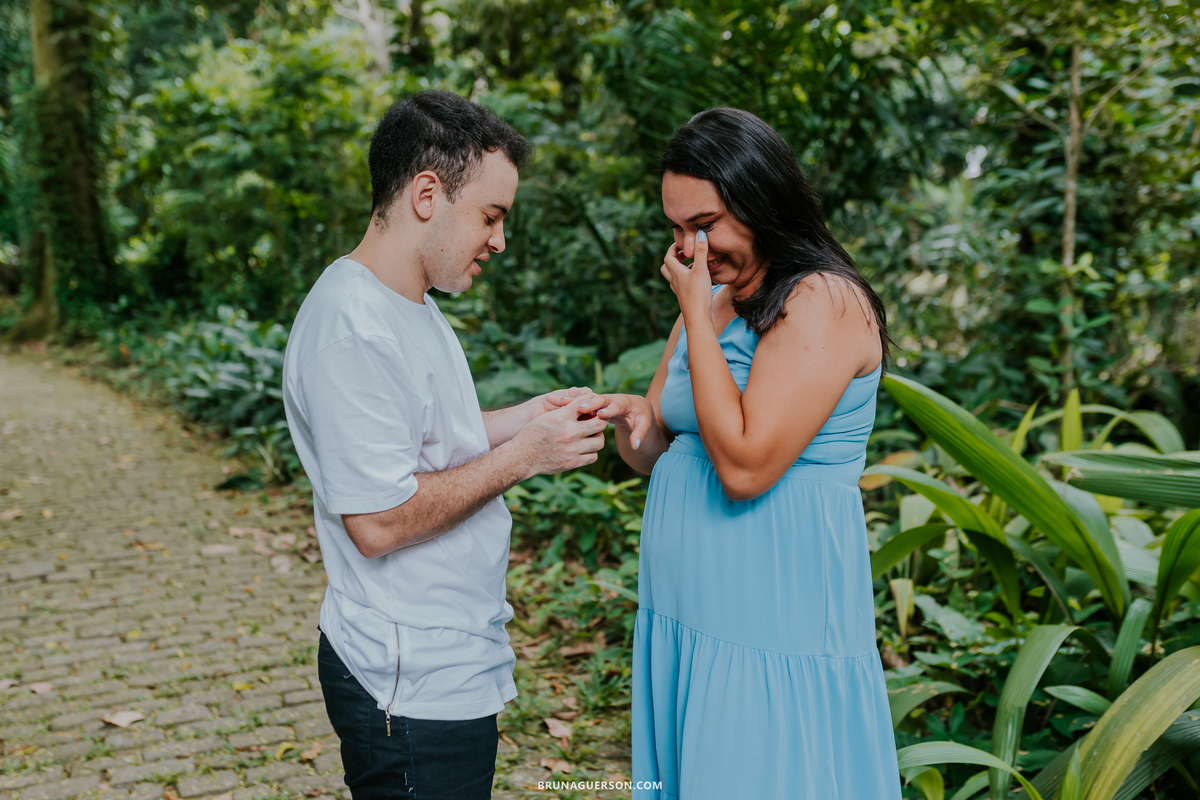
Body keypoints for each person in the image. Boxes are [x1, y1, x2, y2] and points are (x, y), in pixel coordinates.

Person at [281, 90, 607, 800]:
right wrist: (527, 457)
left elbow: (430, 442)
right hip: (407, 681)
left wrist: (528, 419)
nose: (498, 240)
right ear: (427, 194)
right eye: (491, 216)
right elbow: (378, 520)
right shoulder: (352, 327)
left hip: (448, 659)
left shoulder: (410, 303)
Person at [590, 107, 904, 798]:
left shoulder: (822, 300)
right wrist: (627, 417)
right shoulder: (715, 299)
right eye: (675, 229)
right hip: (689, 613)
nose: (687, 248)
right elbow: (664, 445)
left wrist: (697, 312)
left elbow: (743, 466)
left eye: (703, 225)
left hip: (770, 617)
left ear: (761, 200)